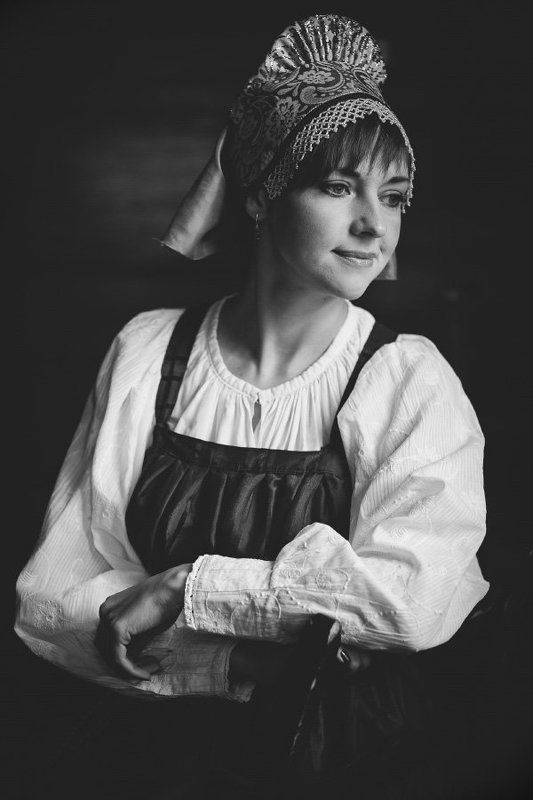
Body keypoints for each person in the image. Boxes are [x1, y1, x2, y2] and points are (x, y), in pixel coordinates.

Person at [15, 13, 489, 798]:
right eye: (337, 187)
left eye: (394, 195)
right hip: (139, 759)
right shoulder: (147, 350)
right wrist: (237, 660)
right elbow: (56, 594)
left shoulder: (407, 379)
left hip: (342, 766)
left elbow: (411, 601)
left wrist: (186, 586)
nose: (373, 224)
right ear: (264, 194)